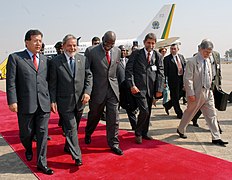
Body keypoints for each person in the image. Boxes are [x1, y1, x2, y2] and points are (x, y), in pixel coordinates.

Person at [6, 29, 53, 175]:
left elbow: (49, 82)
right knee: (26, 133)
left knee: (42, 133)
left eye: (40, 40)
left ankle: (41, 163)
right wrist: (12, 101)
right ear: (27, 42)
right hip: (25, 103)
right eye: (35, 40)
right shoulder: (15, 58)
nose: (39, 43)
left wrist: (52, 100)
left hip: (43, 103)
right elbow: (11, 82)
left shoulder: (45, 60)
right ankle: (27, 148)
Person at [49, 34, 92, 166]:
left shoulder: (82, 59)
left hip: (80, 102)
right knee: (72, 127)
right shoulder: (56, 62)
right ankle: (77, 156)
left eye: (74, 45)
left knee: (73, 127)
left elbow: (89, 77)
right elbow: (52, 83)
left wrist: (87, 92)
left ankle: (68, 146)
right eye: (69, 45)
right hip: (64, 102)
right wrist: (53, 101)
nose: (72, 47)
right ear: (63, 47)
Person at [177, 39, 228, 147]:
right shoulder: (192, 61)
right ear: (200, 49)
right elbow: (188, 79)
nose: (208, 54)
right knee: (190, 113)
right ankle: (181, 129)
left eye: (209, 52)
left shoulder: (208, 60)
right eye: (206, 52)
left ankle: (216, 137)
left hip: (208, 92)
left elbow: (211, 75)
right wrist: (190, 93)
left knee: (212, 115)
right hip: (196, 93)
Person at [85, 31, 123, 155]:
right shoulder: (91, 51)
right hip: (98, 90)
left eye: (112, 44)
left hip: (112, 90)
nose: (109, 46)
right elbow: (87, 72)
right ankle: (88, 132)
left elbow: (117, 71)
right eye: (107, 43)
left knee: (114, 117)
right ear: (102, 40)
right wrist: (88, 91)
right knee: (94, 115)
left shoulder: (117, 51)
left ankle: (114, 143)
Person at [125, 33, 164, 144]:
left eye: (153, 43)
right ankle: (138, 132)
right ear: (144, 42)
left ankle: (145, 132)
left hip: (151, 89)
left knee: (148, 111)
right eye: (149, 43)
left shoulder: (158, 56)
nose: (151, 45)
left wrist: (159, 90)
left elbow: (161, 74)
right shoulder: (136, 54)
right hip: (138, 88)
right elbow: (129, 70)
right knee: (144, 110)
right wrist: (132, 85)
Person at [192, 46, 222, 127]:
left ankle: (215, 126)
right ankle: (194, 117)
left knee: (211, 106)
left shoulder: (216, 55)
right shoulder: (196, 56)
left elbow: (218, 69)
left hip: (214, 83)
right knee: (203, 104)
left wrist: (219, 83)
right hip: (203, 84)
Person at [117, 45, 137, 130]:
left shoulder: (130, 61)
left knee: (130, 108)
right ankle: (114, 127)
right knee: (115, 110)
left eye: (124, 50)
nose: (123, 52)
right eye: (121, 50)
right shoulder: (115, 62)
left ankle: (135, 126)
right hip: (118, 89)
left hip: (128, 89)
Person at [163, 44, 186, 119]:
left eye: (174, 49)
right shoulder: (167, 59)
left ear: (178, 49)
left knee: (181, 94)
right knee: (175, 96)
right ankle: (179, 113)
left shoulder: (181, 57)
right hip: (173, 81)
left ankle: (168, 105)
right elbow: (165, 72)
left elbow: (185, 67)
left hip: (181, 79)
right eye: (171, 49)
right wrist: (164, 82)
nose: (173, 50)